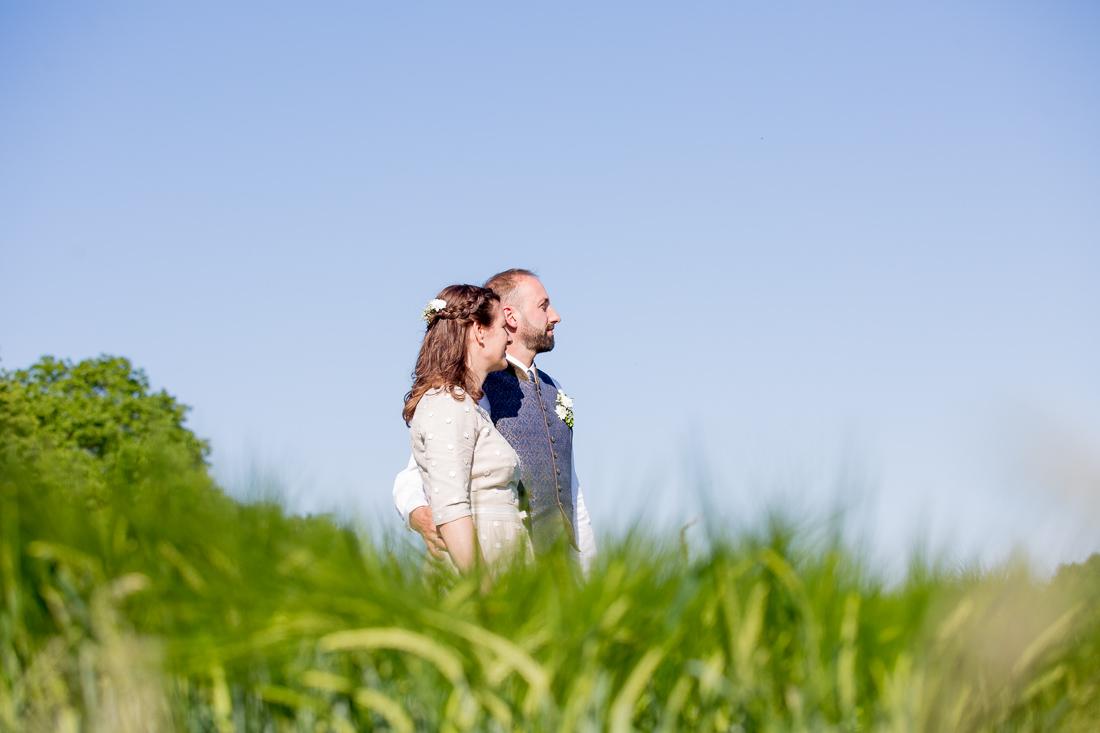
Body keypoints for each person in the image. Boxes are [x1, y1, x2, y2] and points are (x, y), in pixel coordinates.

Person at [394, 269, 596, 570]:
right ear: (510, 316)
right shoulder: (474, 388)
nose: (555, 316)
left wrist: (588, 564)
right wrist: (419, 512)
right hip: (501, 557)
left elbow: (570, 486)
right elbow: (420, 472)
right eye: (543, 306)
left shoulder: (555, 390)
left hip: (560, 568)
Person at [403, 283, 532, 572]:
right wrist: (481, 589)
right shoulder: (446, 405)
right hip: (480, 574)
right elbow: (451, 508)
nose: (508, 340)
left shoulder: (468, 406)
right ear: (479, 331)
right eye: (502, 327)